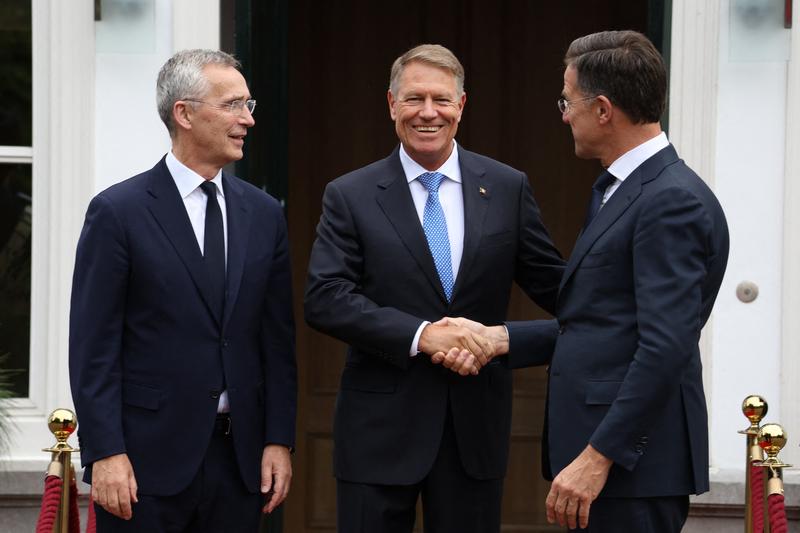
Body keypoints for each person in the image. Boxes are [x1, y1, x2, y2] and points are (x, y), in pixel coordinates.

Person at [435, 30, 730, 532]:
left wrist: (600, 456)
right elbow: (608, 323)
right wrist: (501, 338)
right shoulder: (622, 189)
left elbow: (664, 347)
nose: (564, 114)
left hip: (631, 471)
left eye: (567, 101)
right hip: (616, 468)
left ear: (603, 110)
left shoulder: (669, 201)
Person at [303, 44, 564, 532]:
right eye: (414, 99)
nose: (428, 113)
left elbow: (560, 291)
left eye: (442, 100)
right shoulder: (351, 194)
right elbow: (326, 298)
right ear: (391, 105)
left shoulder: (507, 187)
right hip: (377, 434)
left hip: (473, 430)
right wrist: (424, 335)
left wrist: (512, 339)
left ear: (462, 106)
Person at [69, 49, 297, 532]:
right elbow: (94, 347)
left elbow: (277, 341)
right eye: (234, 105)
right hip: (144, 466)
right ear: (185, 113)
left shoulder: (264, 214)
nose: (247, 120)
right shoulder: (118, 212)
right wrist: (106, 451)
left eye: (249, 105)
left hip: (240, 465)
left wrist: (278, 439)